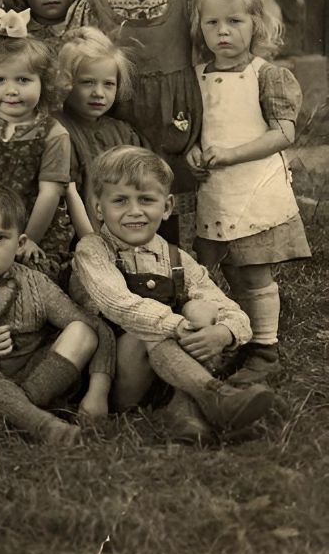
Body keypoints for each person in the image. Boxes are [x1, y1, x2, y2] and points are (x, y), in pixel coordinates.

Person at [71, 146, 274, 442]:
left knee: (201, 311)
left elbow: (227, 307)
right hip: (118, 374)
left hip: (175, 373)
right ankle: (214, 396)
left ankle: (186, 416)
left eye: (146, 200)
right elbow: (119, 304)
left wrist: (225, 333)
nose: (134, 211)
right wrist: (176, 325)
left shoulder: (177, 258)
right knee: (149, 327)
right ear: (99, 208)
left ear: (166, 207)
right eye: (120, 201)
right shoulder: (93, 250)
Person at [187, 0, 310, 383]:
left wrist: (233, 153)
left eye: (235, 21)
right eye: (212, 23)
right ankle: (240, 337)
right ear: (199, 28)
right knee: (224, 268)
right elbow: (199, 130)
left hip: (254, 186)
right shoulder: (197, 76)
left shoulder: (267, 76)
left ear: (255, 24)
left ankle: (266, 350)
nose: (224, 32)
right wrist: (193, 154)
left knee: (255, 270)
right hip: (216, 188)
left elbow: (283, 133)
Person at [64, 0, 199, 239]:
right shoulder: (93, 4)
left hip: (174, 125)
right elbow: (74, 67)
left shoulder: (189, 0)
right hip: (117, 121)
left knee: (166, 216)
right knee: (118, 203)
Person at [0, 182, 109, 440]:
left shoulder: (34, 283)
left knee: (83, 331)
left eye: (0, 237)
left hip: (35, 378)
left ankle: (8, 411)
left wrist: (98, 391)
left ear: (20, 242)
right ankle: (43, 425)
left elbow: (96, 328)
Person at [0, 32, 76, 280]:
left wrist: (27, 239)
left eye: (23, 80)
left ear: (44, 83)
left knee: (29, 278)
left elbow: (49, 194)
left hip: (33, 227)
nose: (11, 90)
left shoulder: (53, 133)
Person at [54, 27, 143, 239]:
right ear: (66, 82)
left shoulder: (122, 133)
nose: (99, 93)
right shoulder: (57, 129)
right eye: (88, 82)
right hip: (75, 235)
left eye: (108, 84)